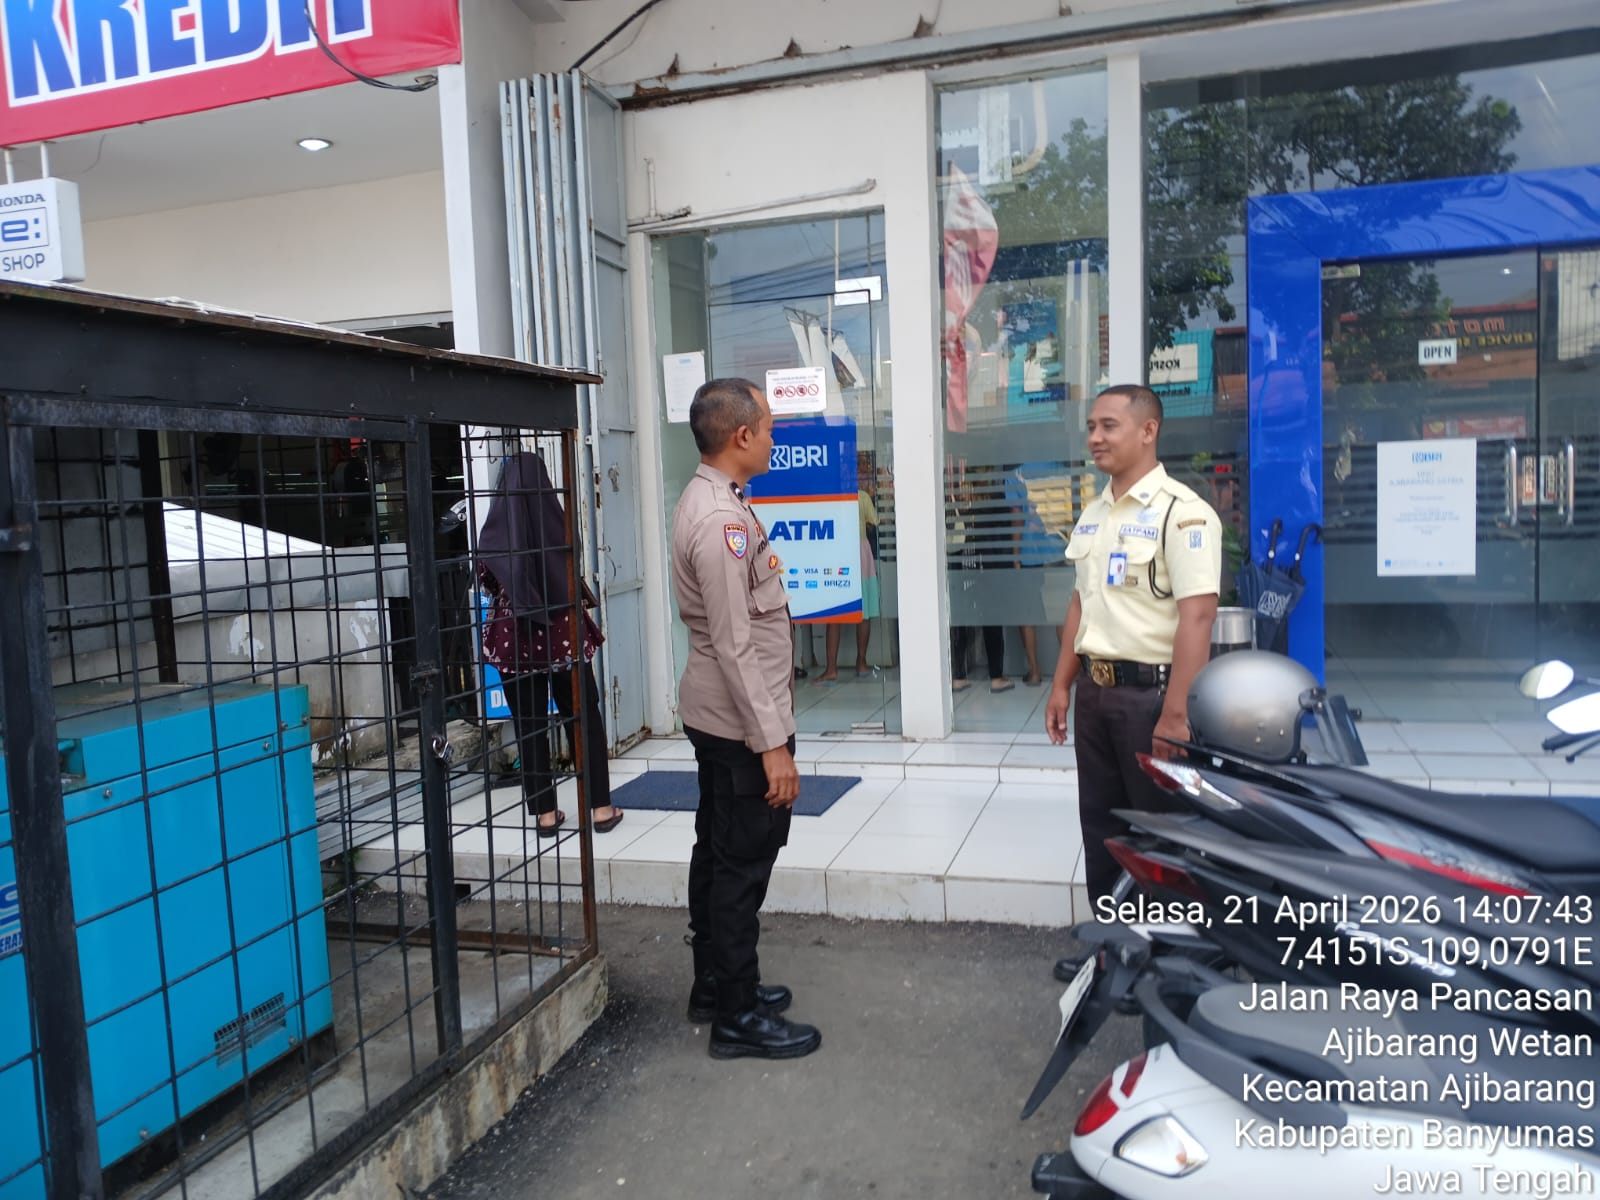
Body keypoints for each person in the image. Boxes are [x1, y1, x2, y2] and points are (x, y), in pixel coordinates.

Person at [670, 377, 822, 1061]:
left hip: (722, 715)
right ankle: (736, 1015)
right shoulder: (721, 522)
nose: (772, 438)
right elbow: (734, 645)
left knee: (718, 849)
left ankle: (716, 985)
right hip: (739, 725)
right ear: (741, 436)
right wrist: (772, 746)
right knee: (742, 865)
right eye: (767, 427)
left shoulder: (719, 500)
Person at [1045, 385, 1221, 948]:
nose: (1095, 437)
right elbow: (1081, 603)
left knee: (1160, 831)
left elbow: (1198, 617)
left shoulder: (1182, 513)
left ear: (1148, 431)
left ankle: (1168, 952)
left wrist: (1177, 716)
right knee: (1101, 827)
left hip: (1152, 700)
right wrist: (1062, 685)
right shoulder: (1095, 513)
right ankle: (1112, 944)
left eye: (1109, 426)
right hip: (1096, 696)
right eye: (1091, 427)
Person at [477, 451, 623, 837]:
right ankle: (600, 808)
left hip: (513, 640)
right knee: (582, 716)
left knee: (530, 725)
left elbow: (487, 578)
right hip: (562, 635)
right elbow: (571, 564)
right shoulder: (558, 522)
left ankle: (545, 814)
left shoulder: (495, 530)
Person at [815, 479, 879, 683]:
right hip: (860, 552)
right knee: (864, 611)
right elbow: (874, 521)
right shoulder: (862, 497)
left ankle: (831, 669)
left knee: (835, 614)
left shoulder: (830, 498)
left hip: (837, 551)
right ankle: (862, 662)